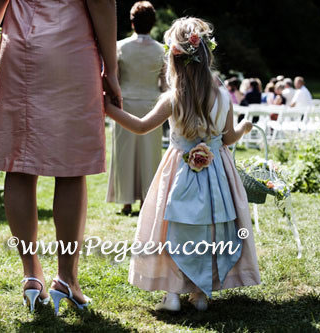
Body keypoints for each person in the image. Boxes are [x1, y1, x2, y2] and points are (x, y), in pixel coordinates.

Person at [0, 0, 121, 315]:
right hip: (71, 51)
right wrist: (111, 69)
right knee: (71, 169)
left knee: (19, 164)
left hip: (20, 51)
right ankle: (66, 278)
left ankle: (31, 274)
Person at [105, 17, 260, 312]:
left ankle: (172, 294)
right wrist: (243, 128)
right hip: (216, 175)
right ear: (206, 57)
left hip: (178, 172)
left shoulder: (171, 98)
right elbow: (227, 139)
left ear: (173, 61)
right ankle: (201, 294)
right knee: (211, 229)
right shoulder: (222, 97)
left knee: (170, 229)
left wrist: (109, 108)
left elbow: (139, 127)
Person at [106, 1, 165, 216]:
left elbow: (114, 80)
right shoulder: (162, 50)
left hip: (125, 105)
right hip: (153, 106)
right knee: (151, 155)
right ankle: (146, 202)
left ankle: (126, 202)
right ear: (152, 23)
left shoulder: (119, 47)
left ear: (132, 23)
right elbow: (166, 85)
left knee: (124, 154)